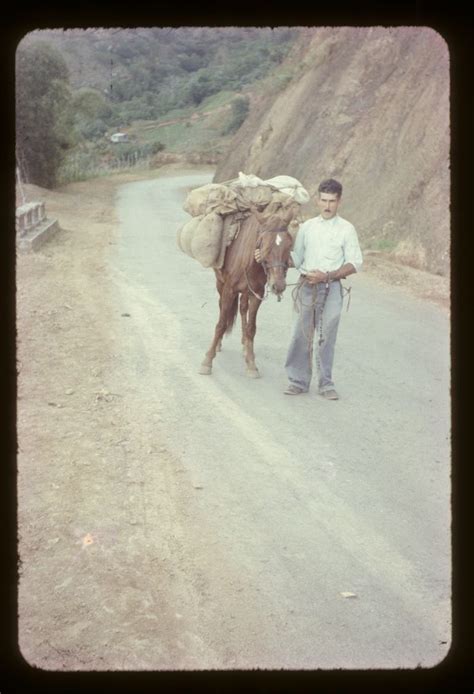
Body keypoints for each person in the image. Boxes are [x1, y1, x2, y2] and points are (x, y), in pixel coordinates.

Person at [256, 178, 363, 400]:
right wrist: (267, 255)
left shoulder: (346, 229)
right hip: (306, 287)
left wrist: (328, 275)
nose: (327, 206)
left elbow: (354, 263)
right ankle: (298, 381)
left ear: (339, 201)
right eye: (323, 200)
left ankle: (326, 384)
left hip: (331, 287)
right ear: (317, 200)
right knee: (300, 335)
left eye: (332, 201)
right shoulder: (307, 228)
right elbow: (295, 258)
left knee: (327, 336)